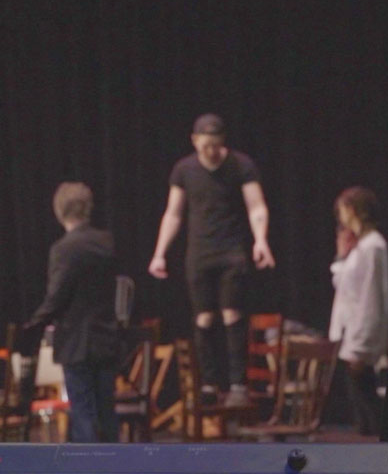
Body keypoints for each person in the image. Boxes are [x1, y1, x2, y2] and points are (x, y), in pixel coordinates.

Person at [148, 113, 275, 406]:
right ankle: (209, 384)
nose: (211, 152)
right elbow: (174, 213)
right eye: (205, 146)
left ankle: (237, 384)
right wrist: (159, 254)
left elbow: (256, 206)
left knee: (232, 314)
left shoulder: (241, 165)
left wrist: (261, 240)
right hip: (200, 252)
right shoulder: (184, 170)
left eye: (216, 145)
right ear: (195, 142)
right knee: (204, 318)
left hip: (231, 251)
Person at [26, 182, 119, 442]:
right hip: (105, 338)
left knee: (83, 413)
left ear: (59, 211)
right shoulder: (106, 242)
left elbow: (57, 296)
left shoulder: (63, 249)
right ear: (88, 208)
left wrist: (34, 324)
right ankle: (117, 471)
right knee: (106, 411)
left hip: (76, 342)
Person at [328, 186, 388, 436]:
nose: (341, 218)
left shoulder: (373, 246)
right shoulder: (360, 246)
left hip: (363, 331)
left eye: (343, 211)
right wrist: (342, 255)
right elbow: (342, 285)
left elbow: (372, 296)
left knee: (365, 396)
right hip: (352, 329)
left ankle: (381, 440)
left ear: (353, 210)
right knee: (358, 398)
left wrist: (365, 338)